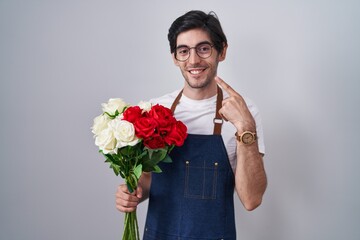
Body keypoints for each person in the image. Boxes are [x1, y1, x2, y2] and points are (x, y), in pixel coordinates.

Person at [116, 10, 267, 239]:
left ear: (222, 51)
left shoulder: (244, 113)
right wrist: (133, 193)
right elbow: (148, 178)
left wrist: (246, 127)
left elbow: (251, 199)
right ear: (174, 57)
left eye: (203, 49)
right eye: (184, 51)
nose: (194, 60)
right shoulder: (156, 110)